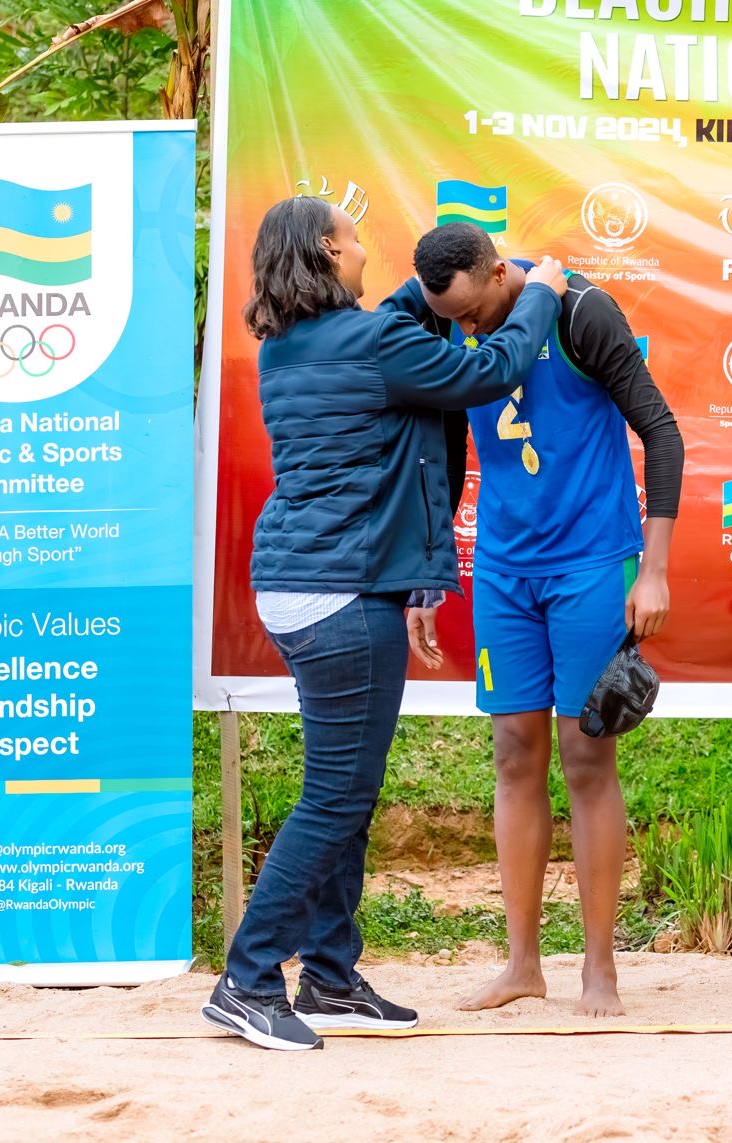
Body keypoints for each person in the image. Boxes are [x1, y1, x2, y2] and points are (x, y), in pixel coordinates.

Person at [202, 196, 567, 1052]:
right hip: (340, 593)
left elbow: (400, 327)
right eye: (357, 240)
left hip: (303, 583)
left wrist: (428, 281)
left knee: (348, 792)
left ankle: (328, 971)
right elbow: (488, 372)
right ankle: (249, 978)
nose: (367, 252)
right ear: (331, 249)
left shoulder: (290, 346)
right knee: (333, 797)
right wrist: (541, 288)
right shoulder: (372, 346)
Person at [401, 222, 683, 1018]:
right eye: (452, 320)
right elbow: (448, 448)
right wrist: (429, 573)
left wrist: (654, 568)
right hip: (502, 569)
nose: (468, 331)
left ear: (500, 272)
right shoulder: (452, 322)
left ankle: (600, 969)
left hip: (592, 563)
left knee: (586, 757)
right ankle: (523, 963)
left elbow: (661, 432)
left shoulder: (581, 312)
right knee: (512, 754)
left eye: (476, 314)